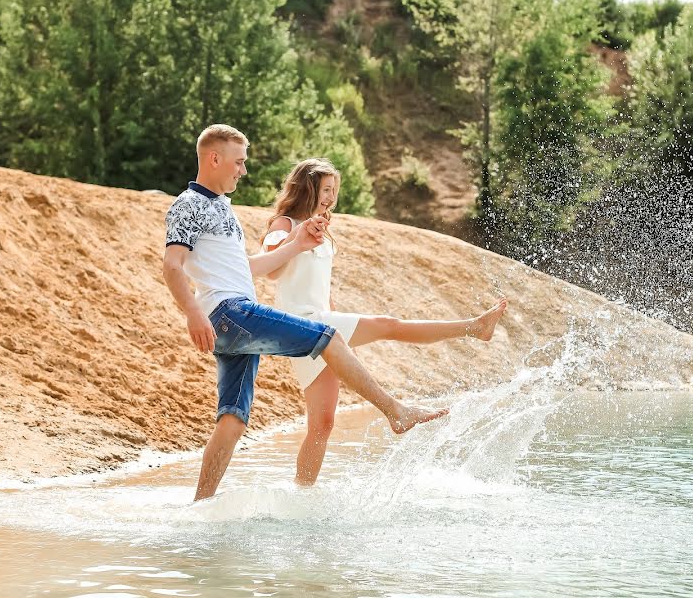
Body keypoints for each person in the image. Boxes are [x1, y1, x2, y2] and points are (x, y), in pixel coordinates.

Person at [162, 125, 448, 501]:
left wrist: (298, 243)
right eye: (239, 162)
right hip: (230, 313)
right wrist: (193, 312)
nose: (243, 170)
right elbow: (172, 265)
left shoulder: (221, 208)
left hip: (231, 318)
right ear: (214, 158)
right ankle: (395, 411)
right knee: (327, 337)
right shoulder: (189, 204)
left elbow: (250, 268)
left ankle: (200, 506)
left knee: (233, 419)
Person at [261, 158, 508, 486]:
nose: (332, 197)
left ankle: (301, 494)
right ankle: (474, 328)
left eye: (335, 190)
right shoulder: (285, 224)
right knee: (390, 324)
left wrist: (339, 330)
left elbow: (319, 285)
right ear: (308, 188)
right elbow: (270, 267)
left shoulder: (321, 228)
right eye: (326, 190)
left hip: (320, 323)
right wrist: (297, 239)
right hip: (301, 324)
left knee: (322, 423)